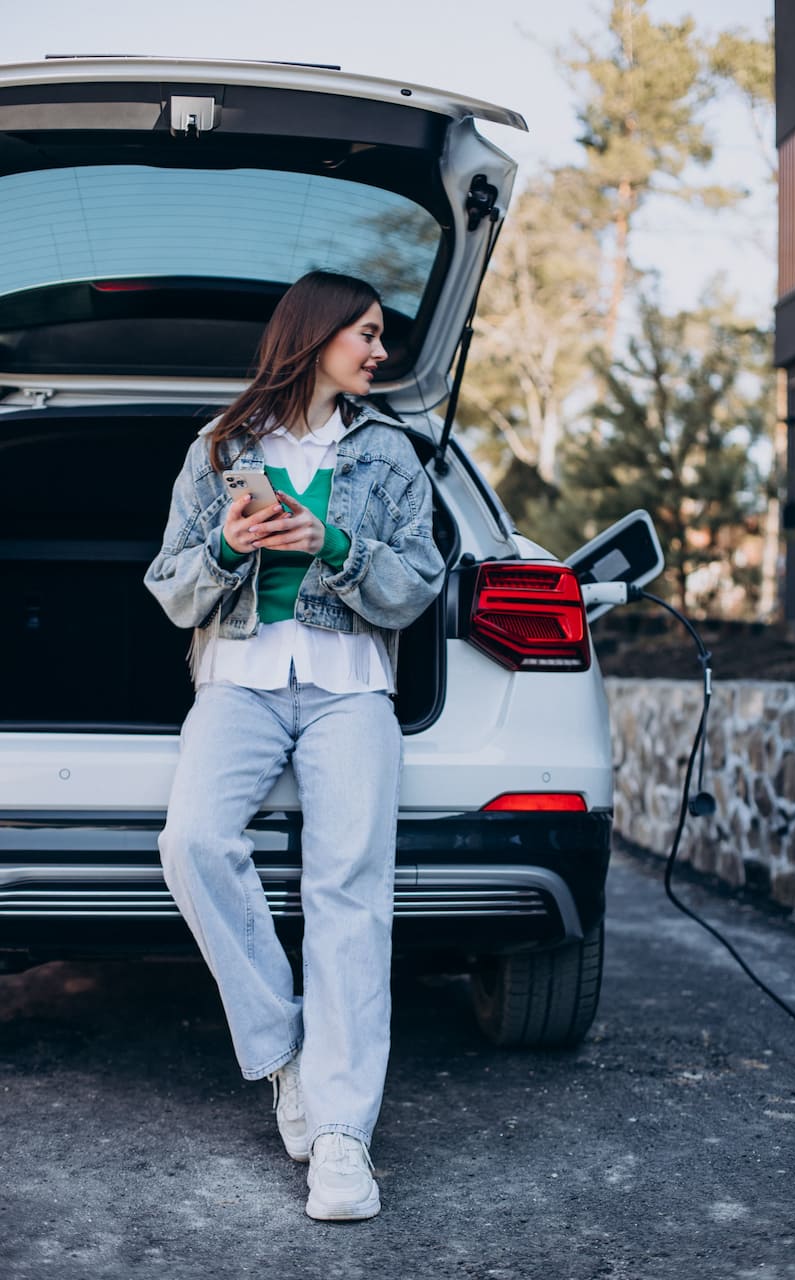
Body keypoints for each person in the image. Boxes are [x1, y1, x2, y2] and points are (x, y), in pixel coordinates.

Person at [144, 270, 446, 1221]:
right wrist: (231, 548)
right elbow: (171, 586)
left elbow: (416, 587)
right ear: (315, 336)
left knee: (348, 888)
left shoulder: (393, 453)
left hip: (350, 686)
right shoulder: (220, 447)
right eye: (366, 332)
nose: (380, 349)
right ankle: (285, 1058)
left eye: (381, 335)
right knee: (190, 843)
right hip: (237, 680)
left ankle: (344, 1136)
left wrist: (330, 544)